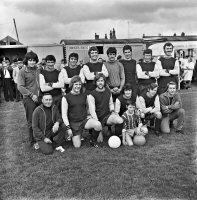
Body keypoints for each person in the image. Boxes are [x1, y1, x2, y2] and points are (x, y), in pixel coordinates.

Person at [62, 75, 102, 148]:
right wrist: (68, 128)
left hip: (84, 121)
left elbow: (90, 108)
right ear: (72, 85)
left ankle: (92, 140)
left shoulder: (85, 95)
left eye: (80, 84)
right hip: (74, 123)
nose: (78, 86)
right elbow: (64, 114)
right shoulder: (66, 97)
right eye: (76, 84)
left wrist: (92, 117)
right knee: (77, 146)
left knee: (98, 125)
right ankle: (77, 134)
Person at [88, 73, 123, 141]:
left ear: (104, 82)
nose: (100, 83)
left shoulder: (108, 91)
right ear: (95, 82)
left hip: (106, 116)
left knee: (119, 120)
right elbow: (92, 110)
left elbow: (110, 104)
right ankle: (93, 130)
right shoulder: (92, 94)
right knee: (100, 141)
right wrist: (97, 122)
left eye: (102, 81)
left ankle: (118, 138)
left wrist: (113, 111)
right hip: (97, 118)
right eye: (98, 81)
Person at [18, 51, 40, 148]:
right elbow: (20, 87)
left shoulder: (38, 69)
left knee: (41, 119)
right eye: (30, 60)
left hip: (40, 98)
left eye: (34, 60)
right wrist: (31, 95)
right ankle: (33, 141)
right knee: (31, 120)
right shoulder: (22, 71)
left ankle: (41, 138)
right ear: (26, 61)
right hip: (29, 99)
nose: (32, 62)